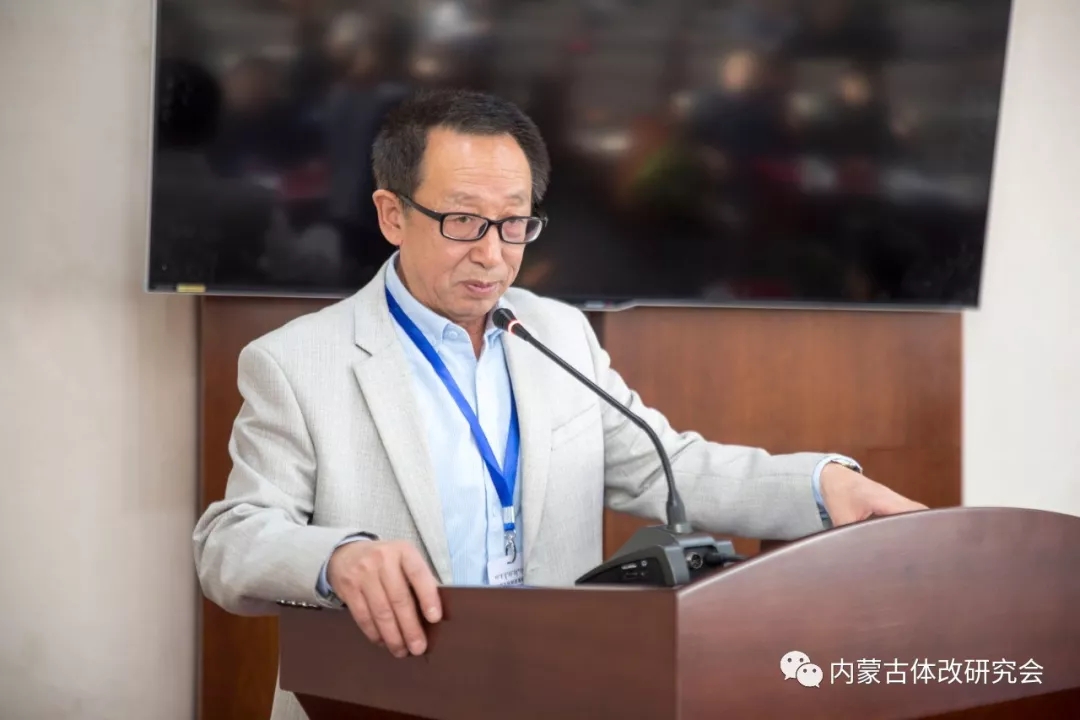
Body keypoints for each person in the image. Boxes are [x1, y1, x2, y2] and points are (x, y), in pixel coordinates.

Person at [192, 88, 925, 720]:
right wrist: (337, 558)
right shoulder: (297, 361)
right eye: (462, 221)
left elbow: (663, 466)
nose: (493, 254)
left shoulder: (556, 331)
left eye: (514, 222)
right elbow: (229, 541)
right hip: (378, 701)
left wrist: (822, 486)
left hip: (551, 691)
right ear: (391, 214)